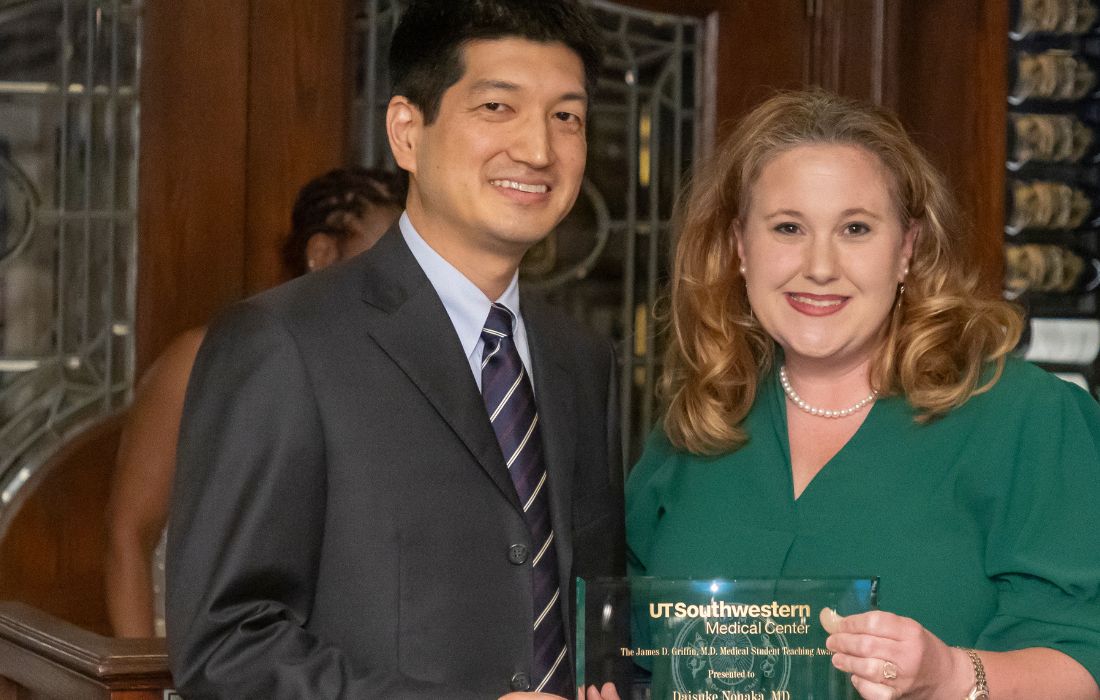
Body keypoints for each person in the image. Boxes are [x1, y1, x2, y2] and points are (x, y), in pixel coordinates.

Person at [165, 1, 625, 698]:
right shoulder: (285, 344)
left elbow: (593, 610)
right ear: (408, 132)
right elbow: (226, 645)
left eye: (567, 116)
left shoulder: (581, 360)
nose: (539, 149)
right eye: (499, 107)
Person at [627, 89, 1100, 699]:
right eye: (788, 228)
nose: (819, 266)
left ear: (907, 248)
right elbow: (634, 651)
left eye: (855, 228)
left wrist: (951, 677)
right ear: (741, 247)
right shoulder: (696, 426)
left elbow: (1085, 662)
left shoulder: (1028, 420)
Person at [104, 166, 405, 638]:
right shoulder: (198, 360)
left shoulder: (389, 372)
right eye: (387, 257)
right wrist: (140, 682)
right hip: (194, 655)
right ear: (322, 253)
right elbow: (129, 536)